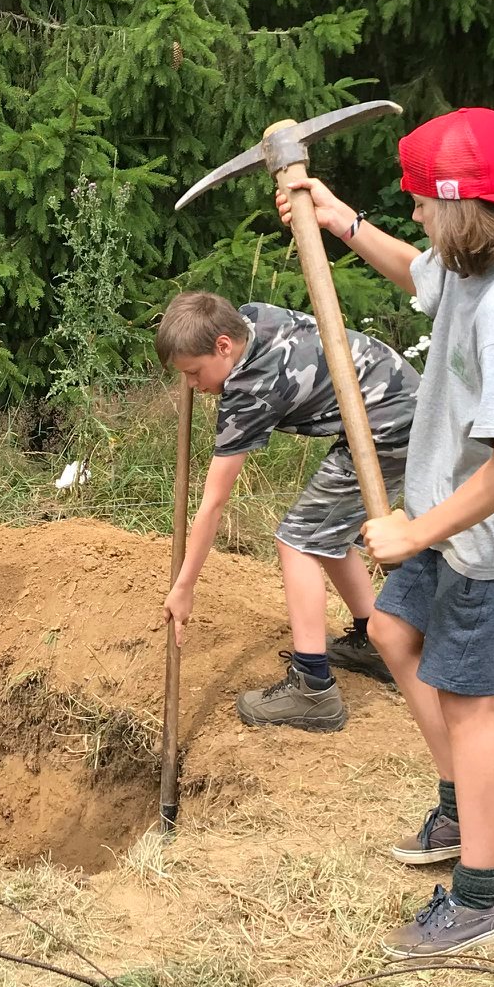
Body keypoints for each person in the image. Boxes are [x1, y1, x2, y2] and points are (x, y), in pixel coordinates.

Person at [279, 107, 494, 955]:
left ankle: (483, 896)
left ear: (462, 208)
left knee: (467, 701)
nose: (413, 213)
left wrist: (414, 536)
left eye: (421, 202)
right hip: (458, 520)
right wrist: (339, 221)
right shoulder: (485, 256)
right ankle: (460, 807)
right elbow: (420, 274)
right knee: (392, 630)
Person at [157, 291, 417, 732]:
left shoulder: (251, 392)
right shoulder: (251, 317)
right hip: (399, 399)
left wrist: (184, 587)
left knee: (297, 540)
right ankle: (374, 639)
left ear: (223, 346)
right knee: (324, 532)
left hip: (386, 425)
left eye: (194, 372)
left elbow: (214, 503)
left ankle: (313, 688)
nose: (192, 385)